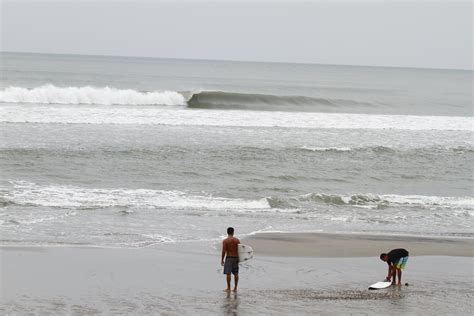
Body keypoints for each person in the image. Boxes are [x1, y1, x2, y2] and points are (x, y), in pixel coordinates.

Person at [221, 227, 240, 292]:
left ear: (227, 232)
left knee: (228, 273)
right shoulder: (237, 240)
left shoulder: (225, 241)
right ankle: (235, 288)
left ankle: (228, 288)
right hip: (236, 258)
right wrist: (239, 259)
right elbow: (240, 250)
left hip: (229, 258)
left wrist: (222, 260)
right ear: (233, 232)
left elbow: (224, 251)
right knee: (236, 273)